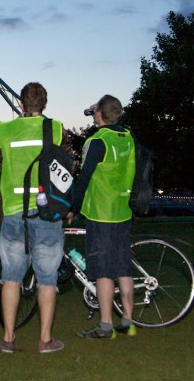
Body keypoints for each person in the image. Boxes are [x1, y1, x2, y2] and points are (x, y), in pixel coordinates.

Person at [0, 82, 73, 354]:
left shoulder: (3, 131)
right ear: (44, 105)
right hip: (47, 214)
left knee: (11, 277)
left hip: (14, 214)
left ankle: (9, 339)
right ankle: (45, 340)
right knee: (47, 279)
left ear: (20, 105)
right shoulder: (57, 130)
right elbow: (69, 169)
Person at [67, 94, 137, 339]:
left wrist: (73, 209)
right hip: (122, 210)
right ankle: (127, 320)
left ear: (99, 115)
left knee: (104, 272)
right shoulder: (128, 138)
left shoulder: (97, 141)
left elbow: (84, 178)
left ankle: (106, 325)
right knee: (123, 268)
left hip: (100, 213)